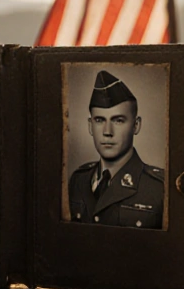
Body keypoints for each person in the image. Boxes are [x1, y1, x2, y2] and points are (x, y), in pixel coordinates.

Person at [68, 70, 164, 230]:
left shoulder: (159, 188)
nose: (107, 131)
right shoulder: (79, 180)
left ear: (136, 125)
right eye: (99, 120)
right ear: (90, 126)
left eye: (118, 120)